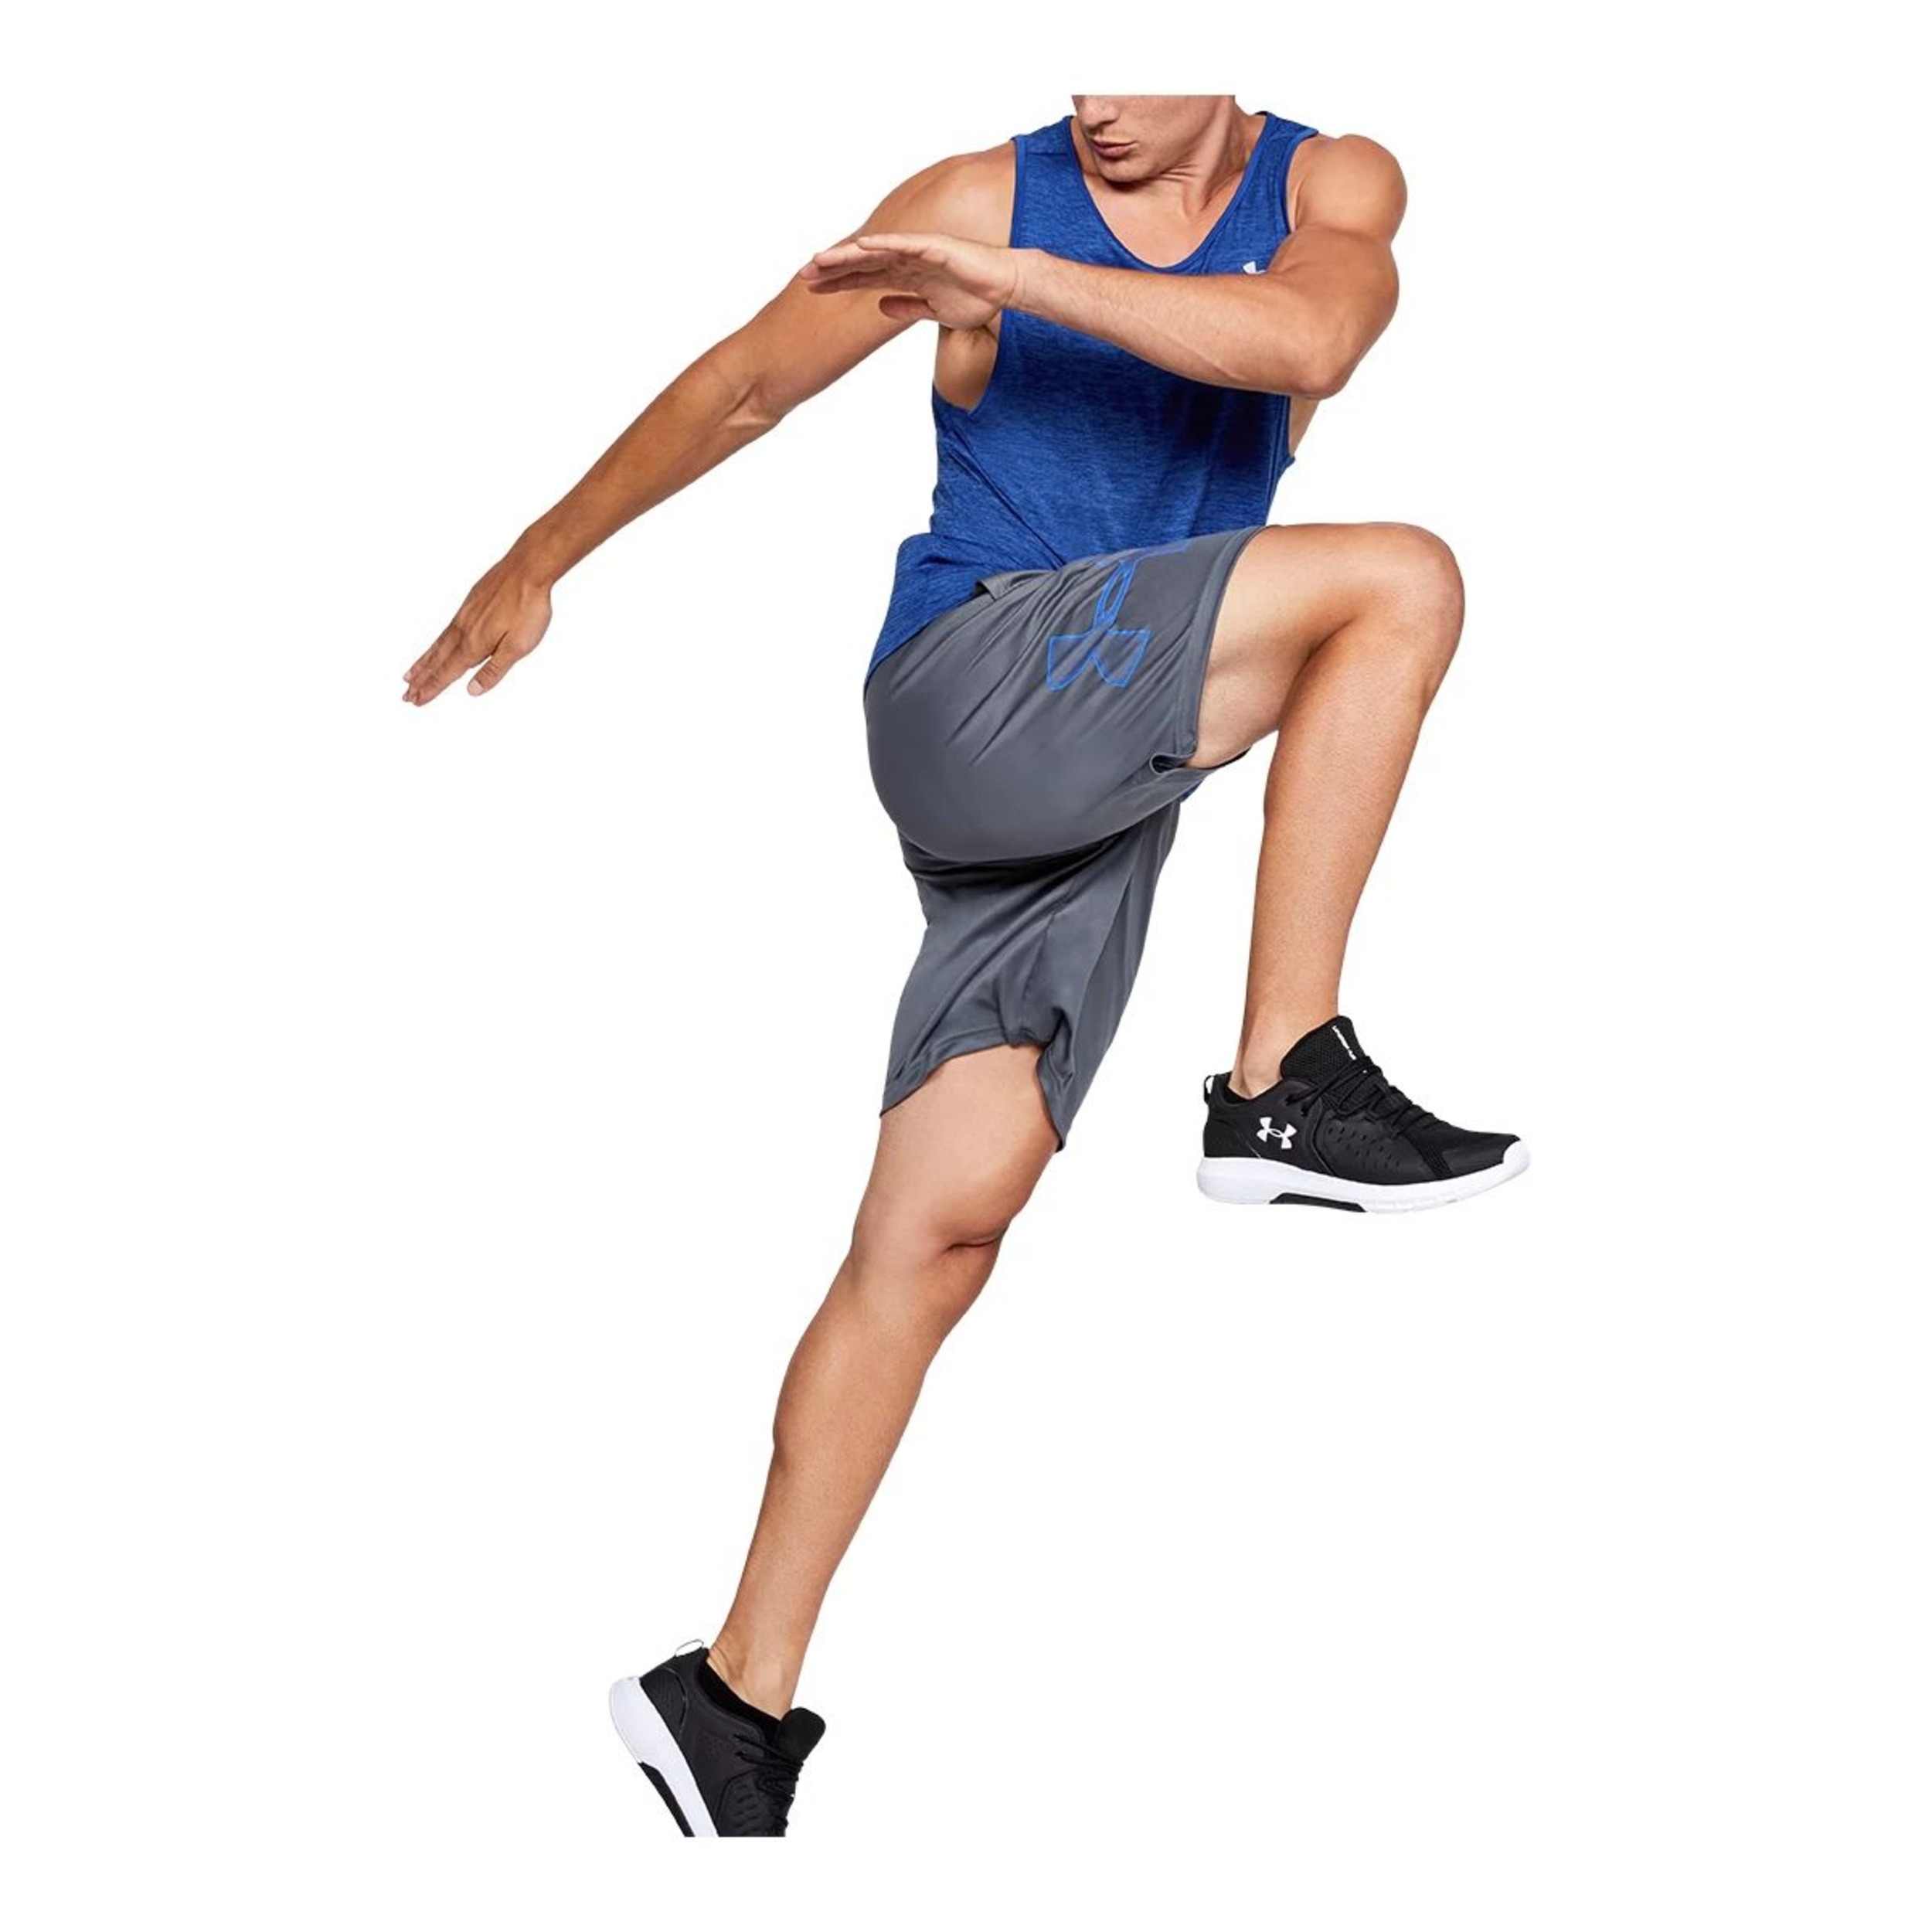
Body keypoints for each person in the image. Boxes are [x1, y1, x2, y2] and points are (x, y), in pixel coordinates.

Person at [403, 93, 1528, 1836]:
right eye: (1075, 76)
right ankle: (1282, 1074)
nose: (1095, 108)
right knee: (1399, 581)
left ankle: (729, 1698)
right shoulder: (973, 194)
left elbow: (1310, 339)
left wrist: (1006, 285)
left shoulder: (1329, 183)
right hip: (977, 681)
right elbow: (746, 383)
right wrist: (536, 556)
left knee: (939, 1232)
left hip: (1110, 755)